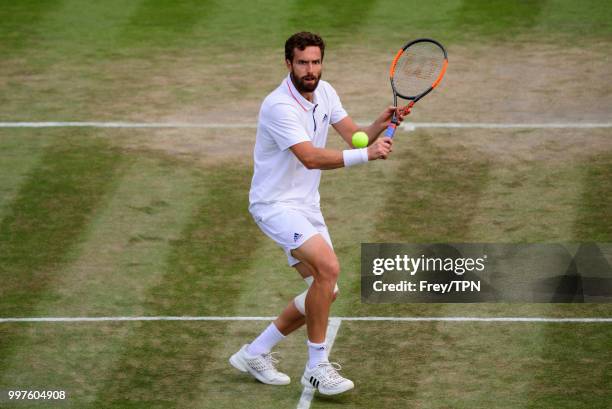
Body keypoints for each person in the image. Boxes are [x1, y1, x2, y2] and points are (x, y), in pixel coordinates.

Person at [229, 31, 407, 396]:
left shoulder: (326, 92)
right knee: (328, 268)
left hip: (306, 205)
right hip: (274, 206)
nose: (310, 70)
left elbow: (354, 136)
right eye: (302, 63)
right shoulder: (278, 106)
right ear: (288, 64)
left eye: (315, 62)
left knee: (326, 290)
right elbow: (310, 156)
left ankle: (255, 352)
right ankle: (316, 366)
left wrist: (379, 124)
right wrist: (367, 156)